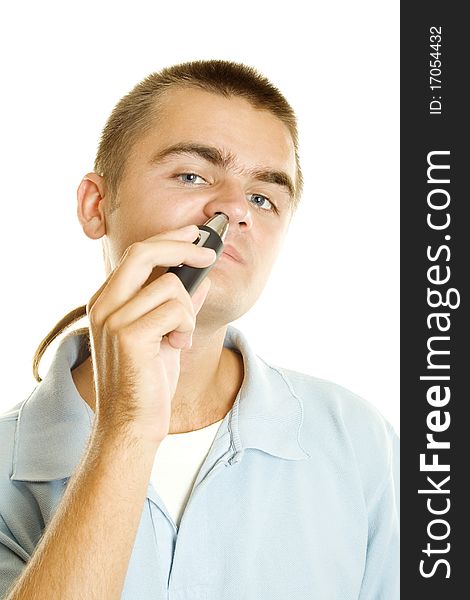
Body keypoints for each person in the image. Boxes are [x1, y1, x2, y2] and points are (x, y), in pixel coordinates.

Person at [0, 60, 399, 599]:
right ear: (97, 205)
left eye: (262, 197)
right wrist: (128, 429)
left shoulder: (358, 441)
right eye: (193, 175)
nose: (234, 209)